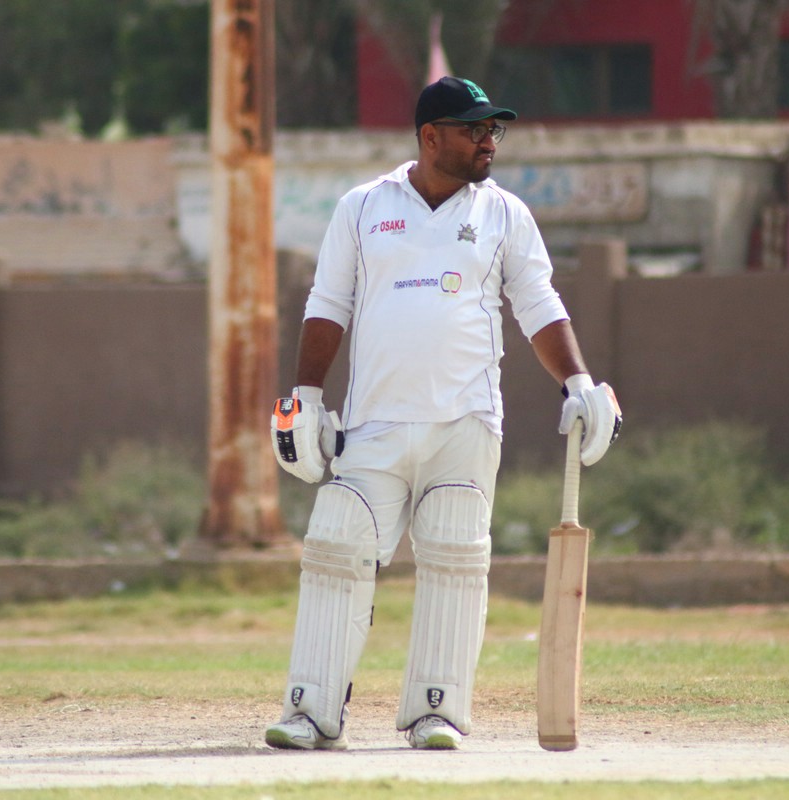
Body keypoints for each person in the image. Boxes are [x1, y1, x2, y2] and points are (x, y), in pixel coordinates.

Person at [265, 76, 621, 751]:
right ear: (431, 137)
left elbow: (538, 303)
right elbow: (328, 302)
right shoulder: (363, 207)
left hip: (466, 423)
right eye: (473, 129)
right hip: (372, 422)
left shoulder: (505, 213)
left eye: (493, 129)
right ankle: (311, 712)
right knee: (336, 549)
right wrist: (306, 397)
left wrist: (578, 381)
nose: (489, 140)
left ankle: (437, 712)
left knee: (456, 558)